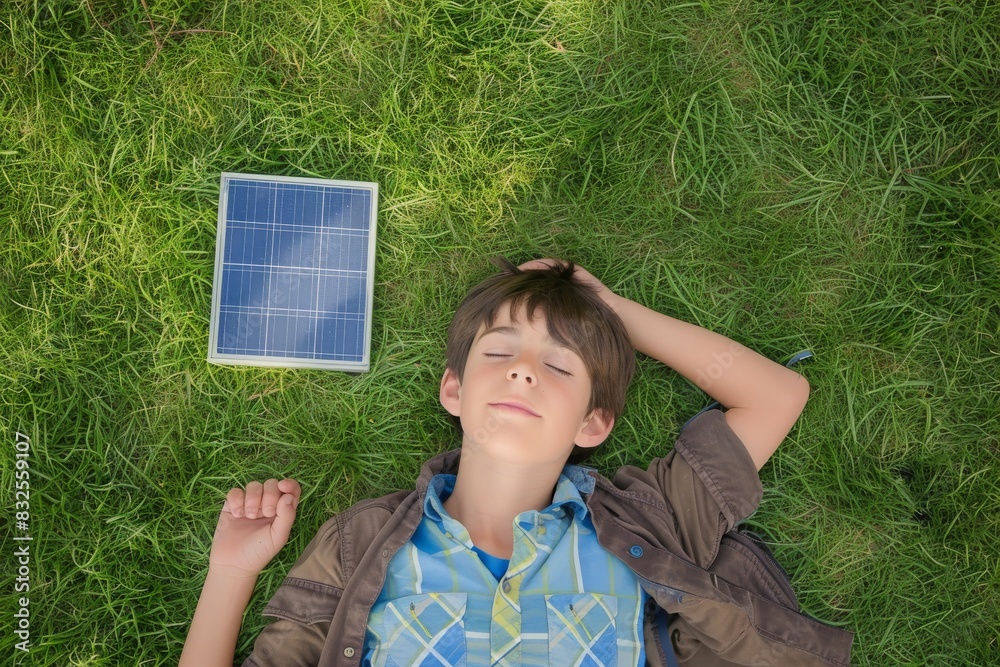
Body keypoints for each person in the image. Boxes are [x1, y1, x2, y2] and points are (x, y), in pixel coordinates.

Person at [180, 258, 853, 667]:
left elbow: (776, 396)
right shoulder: (360, 543)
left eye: (559, 364)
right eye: (500, 354)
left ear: (595, 421)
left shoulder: (647, 521)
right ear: (454, 388)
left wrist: (612, 312)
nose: (525, 373)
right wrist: (231, 571)